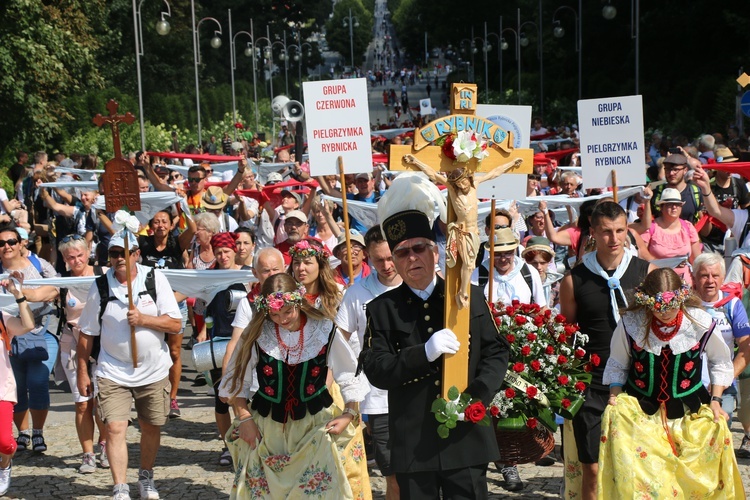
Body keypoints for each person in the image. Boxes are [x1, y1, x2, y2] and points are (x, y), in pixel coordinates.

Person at [361, 207, 509, 499]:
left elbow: (496, 351)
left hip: (466, 435)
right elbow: (377, 368)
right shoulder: (382, 309)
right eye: (401, 253)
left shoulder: (468, 297)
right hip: (414, 439)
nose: (412, 258)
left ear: (435, 253)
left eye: (419, 248)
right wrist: (423, 353)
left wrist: (475, 397)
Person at [220, 274, 368, 499]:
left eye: (287, 311)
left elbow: (349, 374)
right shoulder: (257, 333)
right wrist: (244, 418)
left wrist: (349, 412)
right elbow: (237, 381)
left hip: (314, 426)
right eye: (274, 314)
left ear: (298, 302)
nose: (281, 319)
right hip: (267, 428)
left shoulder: (324, 329)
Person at [600, 268, 743, 497]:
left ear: (682, 299)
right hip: (641, 414)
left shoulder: (699, 322)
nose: (665, 314)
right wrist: (615, 394)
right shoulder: (631, 324)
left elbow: (720, 362)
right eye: (658, 309)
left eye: (672, 307)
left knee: (691, 485)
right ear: (646, 302)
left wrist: (716, 399)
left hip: (689, 411)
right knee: (651, 485)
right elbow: (618, 363)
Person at [558, 202, 653, 500]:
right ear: (593, 233)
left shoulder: (645, 272)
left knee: (639, 463)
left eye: (620, 231)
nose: (614, 239)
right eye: (606, 232)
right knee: (593, 468)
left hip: (638, 381)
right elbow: (568, 333)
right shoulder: (574, 279)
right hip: (593, 381)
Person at [76, 232, 182, 500]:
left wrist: (145, 320)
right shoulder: (100, 286)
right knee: (114, 427)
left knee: (151, 425)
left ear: (136, 254)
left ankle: (146, 476)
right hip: (113, 369)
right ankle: (120, 487)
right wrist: (81, 370)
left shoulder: (154, 279)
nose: (119, 258)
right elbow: (87, 333)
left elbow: (175, 324)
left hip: (154, 369)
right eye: (113, 254)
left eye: (125, 252)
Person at [287, 238, 371, 499]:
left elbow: (350, 347)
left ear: (320, 264)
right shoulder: (287, 298)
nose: (301, 268)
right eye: (296, 262)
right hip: (296, 384)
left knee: (342, 457)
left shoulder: (337, 295)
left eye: (307, 262)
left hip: (332, 384)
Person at [22, 236, 109, 473]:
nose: (76, 260)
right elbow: (39, 294)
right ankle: (88, 454)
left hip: (104, 345)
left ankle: (105, 445)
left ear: (88, 253)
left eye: (80, 254)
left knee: (104, 403)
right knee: (82, 404)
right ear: (64, 259)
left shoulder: (104, 273)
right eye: (71, 257)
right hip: (72, 344)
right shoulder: (63, 281)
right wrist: (18, 290)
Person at [403, 154, 523, 308]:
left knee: (469, 265)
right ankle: (462, 291)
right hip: (462, 232)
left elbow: (494, 172)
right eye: (459, 183)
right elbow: (432, 173)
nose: (463, 185)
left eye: (464, 181)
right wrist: (416, 160)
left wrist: (512, 163)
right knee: (467, 264)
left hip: (474, 234)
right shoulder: (453, 191)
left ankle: (463, 290)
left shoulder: (475, 185)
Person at [335, 225, 402, 500]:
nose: (386, 266)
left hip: (418, 393)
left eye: (391, 257)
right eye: (379, 260)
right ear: (367, 258)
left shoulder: (420, 285)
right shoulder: (356, 293)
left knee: (422, 473)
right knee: (393, 473)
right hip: (379, 399)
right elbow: (339, 342)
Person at [0, 225, 57, 455]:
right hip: (9, 334)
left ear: (21, 243)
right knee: (18, 387)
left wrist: (22, 293)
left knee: (39, 381)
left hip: (42, 331)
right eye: (2, 243)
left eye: (11, 241)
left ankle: (38, 431)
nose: (6, 246)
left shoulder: (39, 265)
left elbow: (54, 290)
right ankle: (22, 432)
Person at [198, 232, 249, 467]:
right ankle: (228, 445)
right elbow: (196, 302)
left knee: (249, 395)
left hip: (247, 342)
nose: (223, 256)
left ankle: (249, 440)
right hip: (219, 343)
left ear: (234, 251)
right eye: (218, 252)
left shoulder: (248, 274)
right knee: (221, 399)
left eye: (227, 251)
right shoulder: (208, 277)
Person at [139, 210, 195, 418]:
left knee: (174, 353)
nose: (161, 225)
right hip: (149, 306)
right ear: (151, 226)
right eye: (156, 221)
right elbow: (120, 235)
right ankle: (148, 395)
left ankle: (172, 398)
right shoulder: (143, 244)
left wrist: (183, 207)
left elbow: (193, 229)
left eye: (164, 221)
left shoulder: (176, 245)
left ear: (171, 225)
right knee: (150, 349)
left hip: (175, 304)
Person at [691, 253, 750, 442]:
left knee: (719, 442)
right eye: (704, 275)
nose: (710, 281)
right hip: (690, 386)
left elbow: (746, 348)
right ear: (694, 277)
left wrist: (725, 378)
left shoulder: (732, 305)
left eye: (715, 276)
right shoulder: (685, 305)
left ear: (722, 278)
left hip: (723, 388)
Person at [0, 271, 35, 496]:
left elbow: (29, 325)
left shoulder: (1, 318)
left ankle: (4, 465)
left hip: (2, 390)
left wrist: (18, 294)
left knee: (5, 443)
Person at [638, 187, 701, 285]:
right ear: (661, 207)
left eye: (677, 204)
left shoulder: (688, 227)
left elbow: (697, 260)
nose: (674, 207)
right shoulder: (651, 227)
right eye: (670, 204)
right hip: (659, 281)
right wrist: (660, 265)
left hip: (685, 283)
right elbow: (642, 253)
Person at [522, 236, 563, 310]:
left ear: (549, 261)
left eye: (543, 263)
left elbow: (559, 308)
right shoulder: (520, 281)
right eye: (534, 263)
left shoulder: (555, 285)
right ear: (527, 262)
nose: (539, 267)